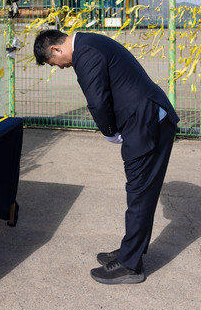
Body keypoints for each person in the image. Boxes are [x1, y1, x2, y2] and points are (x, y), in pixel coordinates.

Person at [33, 29, 179, 284]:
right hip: (147, 118)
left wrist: (110, 131)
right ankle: (130, 250)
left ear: (55, 49)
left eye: (53, 63)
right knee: (140, 190)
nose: (59, 67)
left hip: (146, 123)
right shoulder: (89, 42)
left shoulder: (85, 53)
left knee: (139, 191)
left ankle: (130, 265)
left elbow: (97, 100)